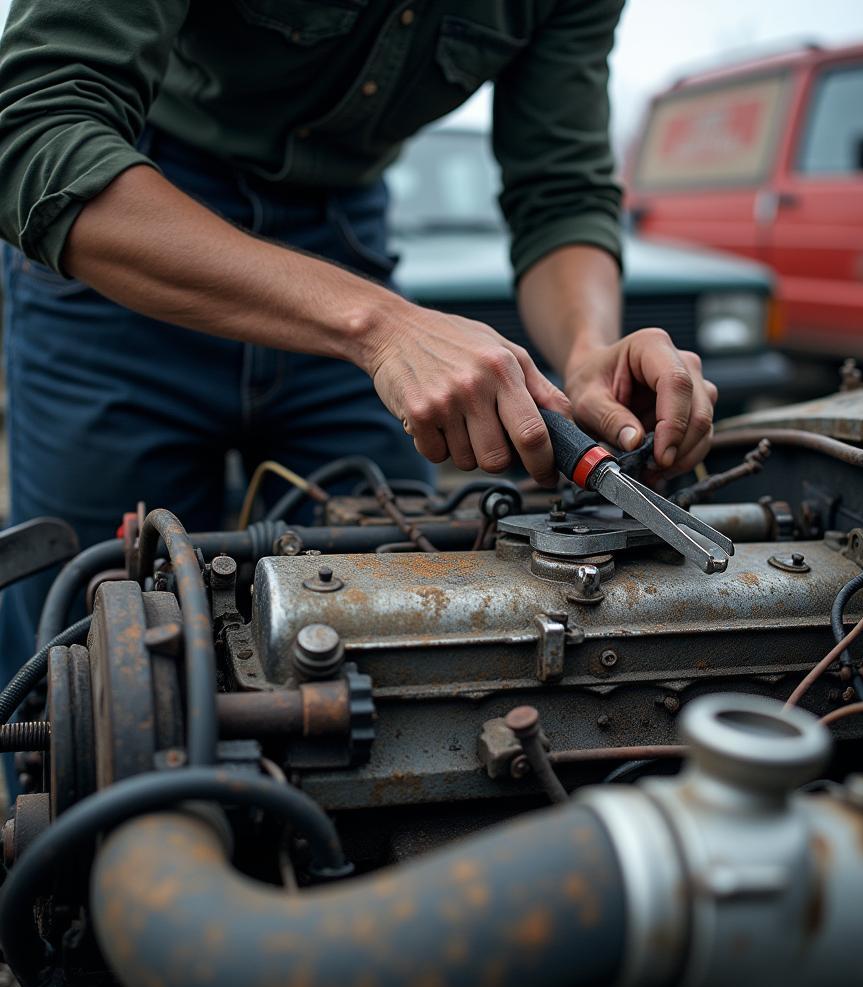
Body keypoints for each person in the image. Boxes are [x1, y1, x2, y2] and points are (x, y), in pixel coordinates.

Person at [0, 0, 717, 693]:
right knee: (84, 647)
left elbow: (560, 189)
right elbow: (36, 130)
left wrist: (589, 351)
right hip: (133, 231)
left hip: (341, 233)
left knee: (393, 617)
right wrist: (382, 328)